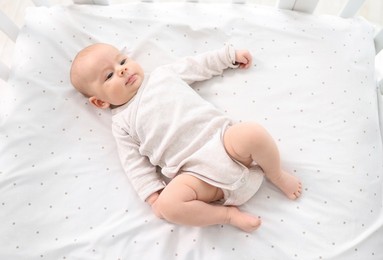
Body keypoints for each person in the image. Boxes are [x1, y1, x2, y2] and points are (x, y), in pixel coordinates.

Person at [70, 43, 302, 232]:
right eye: (109, 75)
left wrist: (229, 56)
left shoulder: (162, 76)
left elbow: (197, 65)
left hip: (224, 143)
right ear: (100, 101)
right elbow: (133, 163)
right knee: (168, 207)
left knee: (252, 132)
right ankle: (227, 216)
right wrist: (153, 195)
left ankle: (278, 175)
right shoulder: (122, 124)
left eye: (122, 61)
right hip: (197, 176)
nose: (122, 70)